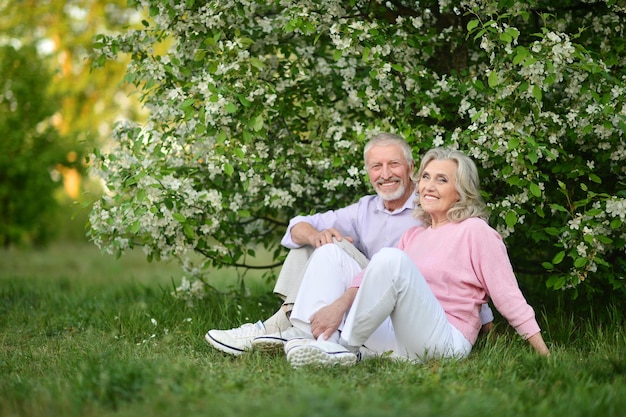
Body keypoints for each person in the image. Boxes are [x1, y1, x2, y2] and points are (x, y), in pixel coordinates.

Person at [205, 134, 494, 356]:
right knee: (314, 241)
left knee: (344, 248)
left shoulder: (430, 201)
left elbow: (460, 260)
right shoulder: (364, 209)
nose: (386, 174)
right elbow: (297, 225)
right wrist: (314, 235)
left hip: (412, 302)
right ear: (368, 172)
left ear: (410, 168)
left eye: (394, 164)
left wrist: (482, 318)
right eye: (376, 166)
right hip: (366, 289)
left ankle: (279, 329)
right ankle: (284, 325)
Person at [283, 147, 549, 368]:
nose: (429, 187)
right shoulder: (414, 235)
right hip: (401, 337)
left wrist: (544, 355)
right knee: (330, 250)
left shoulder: (476, 231)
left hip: (446, 340)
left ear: (461, 190)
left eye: (442, 180)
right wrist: (340, 304)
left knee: (390, 260)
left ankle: (342, 347)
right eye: (426, 177)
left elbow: (508, 296)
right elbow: (370, 275)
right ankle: (312, 338)